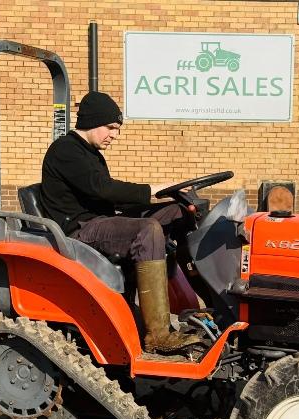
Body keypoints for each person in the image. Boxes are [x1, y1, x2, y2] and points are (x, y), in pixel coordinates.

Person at [40, 91, 200, 354]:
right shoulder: (66, 151)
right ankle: (158, 335)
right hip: (80, 230)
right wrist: (155, 189)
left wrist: (166, 198)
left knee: (177, 211)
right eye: (111, 128)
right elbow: (104, 190)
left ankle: (198, 305)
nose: (115, 135)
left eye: (117, 129)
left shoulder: (90, 153)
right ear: (92, 121)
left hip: (101, 220)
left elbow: (107, 197)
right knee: (149, 230)